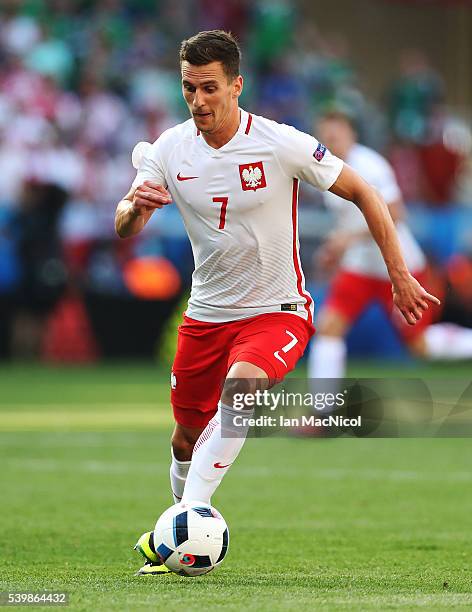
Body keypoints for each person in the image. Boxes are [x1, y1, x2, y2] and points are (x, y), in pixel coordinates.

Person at [114, 31, 440, 575]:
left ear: (237, 86)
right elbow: (125, 223)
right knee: (186, 436)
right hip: (206, 315)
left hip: (277, 309)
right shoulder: (170, 148)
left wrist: (398, 274)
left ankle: (185, 519)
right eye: (189, 89)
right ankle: (180, 519)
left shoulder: (279, 142)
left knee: (241, 396)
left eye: (210, 88)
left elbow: (366, 193)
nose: (198, 100)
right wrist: (136, 209)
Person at [308, 110, 472, 382]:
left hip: (397, 268)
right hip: (359, 268)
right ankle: (321, 413)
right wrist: (336, 248)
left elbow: (396, 213)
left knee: (419, 346)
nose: (331, 141)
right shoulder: (326, 168)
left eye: (336, 134)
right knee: (328, 329)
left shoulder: (370, 165)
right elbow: (348, 221)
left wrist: (349, 239)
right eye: (326, 136)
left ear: (352, 134)